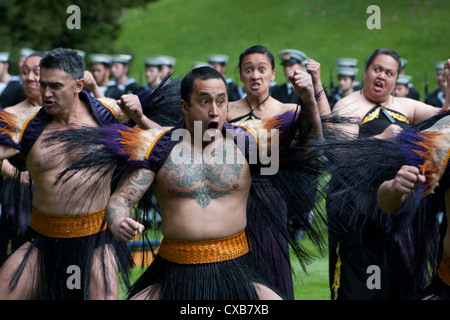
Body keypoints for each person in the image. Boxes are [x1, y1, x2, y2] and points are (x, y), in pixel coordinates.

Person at [51, 64, 323, 300]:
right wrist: (119, 219)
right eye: (204, 101)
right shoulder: (158, 147)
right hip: (173, 266)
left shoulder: (248, 143)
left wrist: (309, 100)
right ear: (185, 106)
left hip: (235, 264)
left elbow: (313, 151)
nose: (215, 111)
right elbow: (121, 199)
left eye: (221, 101)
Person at [0, 48, 163, 300]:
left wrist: (140, 117)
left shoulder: (111, 114)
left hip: (96, 239)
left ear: (78, 85)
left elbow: (166, 145)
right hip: (43, 238)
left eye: (55, 86)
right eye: (43, 85)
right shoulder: (24, 123)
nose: (46, 93)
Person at [327, 48, 450, 300]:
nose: (382, 76)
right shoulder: (349, 104)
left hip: (399, 206)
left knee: (399, 281)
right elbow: (340, 154)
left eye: (389, 72)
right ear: (366, 71)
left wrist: (449, 85)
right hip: (358, 209)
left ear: (396, 79)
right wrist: (381, 138)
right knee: (362, 287)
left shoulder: (405, 105)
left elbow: (443, 122)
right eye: (377, 69)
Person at [224, 45, 326, 299]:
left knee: (271, 272)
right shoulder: (225, 111)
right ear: (240, 74)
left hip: (270, 200)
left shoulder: (288, 111)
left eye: (261, 69)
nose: (255, 75)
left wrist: (309, 99)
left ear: (272, 75)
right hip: (228, 199)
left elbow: (314, 149)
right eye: (248, 70)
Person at [0, 52, 44, 266]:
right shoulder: (10, 113)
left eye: (36, 72)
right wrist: (19, 176)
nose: (29, 78)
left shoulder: (57, 114)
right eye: (25, 72)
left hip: (51, 194)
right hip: (17, 193)